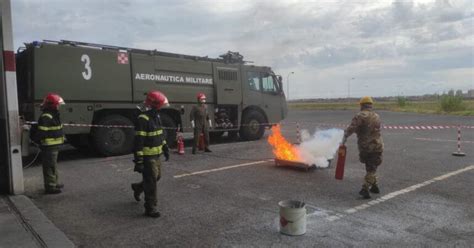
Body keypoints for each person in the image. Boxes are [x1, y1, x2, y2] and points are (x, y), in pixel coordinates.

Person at [131, 91, 170, 218]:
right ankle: (150, 207)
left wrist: (164, 146)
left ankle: (138, 187)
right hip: (148, 157)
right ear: (155, 105)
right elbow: (138, 142)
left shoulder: (156, 116)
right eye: (161, 105)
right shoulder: (143, 119)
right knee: (152, 181)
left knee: (156, 177)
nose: (162, 108)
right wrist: (139, 161)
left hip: (156, 154)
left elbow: (159, 133)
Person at [342, 96, 384, 199]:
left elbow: (351, 128)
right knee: (372, 167)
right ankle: (373, 186)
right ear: (371, 105)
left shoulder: (360, 116)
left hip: (366, 146)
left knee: (370, 167)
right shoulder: (377, 116)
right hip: (378, 145)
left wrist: (344, 137)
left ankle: (366, 188)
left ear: (361, 105)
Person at [34, 93, 66, 194]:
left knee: (53, 165)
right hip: (49, 146)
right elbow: (42, 133)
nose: (59, 106)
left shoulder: (53, 114)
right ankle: (50, 187)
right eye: (57, 104)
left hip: (54, 146)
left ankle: (54, 183)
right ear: (53, 105)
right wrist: (39, 142)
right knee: (49, 166)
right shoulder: (47, 116)